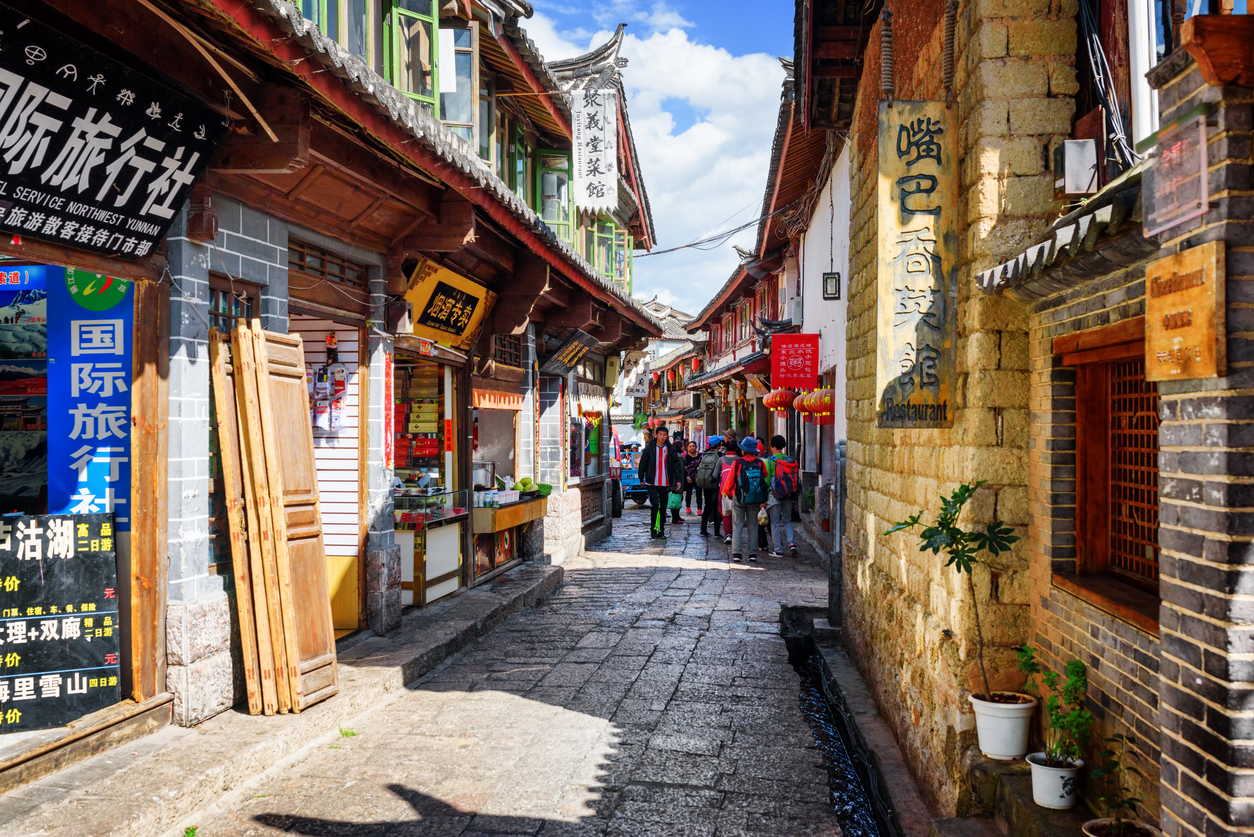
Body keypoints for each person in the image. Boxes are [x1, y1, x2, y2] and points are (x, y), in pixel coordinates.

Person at [721, 437, 770, 563]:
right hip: (755, 498)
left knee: (737, 524)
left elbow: (731, 479)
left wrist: (725, 491)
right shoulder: (759, 463)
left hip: (739, 497)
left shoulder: (738, 462)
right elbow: (764, 475)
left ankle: (737, 553)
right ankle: (752, 553)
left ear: (743, 450)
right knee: (753, 525)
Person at [637, 424, 683, 539]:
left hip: (665, 482)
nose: (662, 437)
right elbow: (643, 463)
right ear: (656, 435)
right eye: (660, 434)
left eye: (664, 435)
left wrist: (678, 479)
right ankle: (653, 529)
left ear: (667, 436)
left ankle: (661, 530)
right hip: (652, 482)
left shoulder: (670, 449)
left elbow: (676, 465)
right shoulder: (649, 448)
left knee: (663, 507)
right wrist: (641, 477)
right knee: (655, 504)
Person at [765, 435, 800, 557]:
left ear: (773, 447)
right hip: (789, 494)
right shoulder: (790, 460)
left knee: (774, 523)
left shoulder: (770, 461)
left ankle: (778, 549)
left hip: (775, 495)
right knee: (787, 520)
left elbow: (767, 480)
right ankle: (792, 544)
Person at [694, 437, 724, 537]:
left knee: (707, 506)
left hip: (706, 483)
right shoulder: (719, 455)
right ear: (719, 445)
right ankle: (716, 531)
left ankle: (703, 529)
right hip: (715, 484)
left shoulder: (704, 454)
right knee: (716, 507)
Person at [717, 431, 740, 544]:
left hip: (724, 491)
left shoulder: (721, 460)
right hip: (737, 491)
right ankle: (736, 535)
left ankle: (728, 534)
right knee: (737, 513)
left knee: (726, 513)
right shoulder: (740, 460)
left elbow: (714, 475)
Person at [683, 441, 703, 515]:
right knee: (689, 493)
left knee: (699, 493)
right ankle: (688, 507)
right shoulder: (685, 458)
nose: (692, 448)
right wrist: (687, 477)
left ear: (696, 447)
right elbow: (684, 469)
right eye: (690, 446)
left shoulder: (700, 457)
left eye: (693, 446)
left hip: (698, 478)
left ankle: (700, 508)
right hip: (689, 478)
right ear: (687, 448)